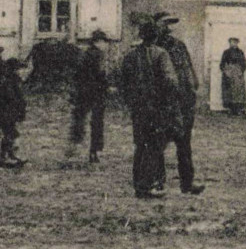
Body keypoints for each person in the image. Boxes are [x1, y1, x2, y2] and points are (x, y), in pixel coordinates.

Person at [120, 16, 179, 199]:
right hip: (157, 107)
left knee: (140, 145)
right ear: (155, 37)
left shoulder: (130, 55)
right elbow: (171, 81)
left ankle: (145, 183)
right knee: (155, 145)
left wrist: (131, 100)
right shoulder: (161, 54)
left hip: (138, 108)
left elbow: (122, 82)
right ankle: (148, 185)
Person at [158, 15, 205, 196]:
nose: (169, 28)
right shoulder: (154, 49)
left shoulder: (179, 45)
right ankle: (158, 182)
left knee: (184, 144)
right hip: (164, 102)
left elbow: (189, 69)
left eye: (170, 25)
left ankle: (187, 183)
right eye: (165, 24)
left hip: (183, 102)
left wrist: (192, 89)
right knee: (158, 144)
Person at [68, 30, 109, 162]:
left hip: (82, 92)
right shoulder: (99, 55)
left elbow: (76, 74)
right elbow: (101, 74)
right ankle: (94, 151)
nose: (106, 45)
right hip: (96, 93)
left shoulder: (84, 54)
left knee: (79, 120)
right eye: (104, 42)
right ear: (98, 42)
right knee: (96, 123)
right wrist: (107, 87)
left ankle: (74, 147)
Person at [0, 57, 28, 168]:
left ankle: (6, 156)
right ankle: (7, 157)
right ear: (14, 69)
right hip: (7, 112)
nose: (21, 71)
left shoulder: (10, 79)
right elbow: (12, 98)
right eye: (19, 68)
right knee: (12, 134)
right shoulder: (9, 81)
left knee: (9, 134)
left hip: (8, 112)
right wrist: (19, 108)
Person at [219, 38, 246, 117]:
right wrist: (226, 71)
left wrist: (240, 71)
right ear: (229, 43)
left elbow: (244, 63)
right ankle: (230, 109)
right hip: (228, 73)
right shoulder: (226, 52)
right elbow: (222, 63)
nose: (233, 44)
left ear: (237, 43)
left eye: (235, 42)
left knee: (238, 91)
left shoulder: (240, 52)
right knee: (228, 91)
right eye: (232, 42)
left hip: (237, 73)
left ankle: (238, 109)